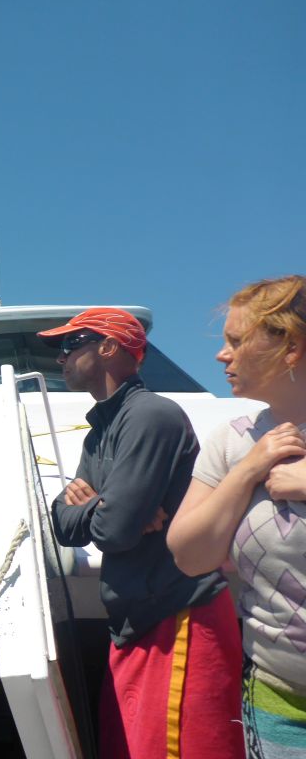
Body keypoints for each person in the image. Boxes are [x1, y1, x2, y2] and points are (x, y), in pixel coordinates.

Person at [39, 307, 243, 758]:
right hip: (135, 624)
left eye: (71, 345)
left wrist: (102, 507)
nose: (61, 358)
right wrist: (108, 506)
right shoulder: (99, 435)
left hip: (179, 618)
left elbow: (114, 531)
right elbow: (63, 522)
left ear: (109, 347)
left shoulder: (153, 416)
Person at [167, 276, 306, 758]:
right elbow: (189, 554)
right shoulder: (231, 442)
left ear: (290, 348)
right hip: (277, 708)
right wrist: (248, 469)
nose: (221, 356)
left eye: (235, 341)